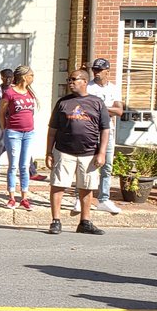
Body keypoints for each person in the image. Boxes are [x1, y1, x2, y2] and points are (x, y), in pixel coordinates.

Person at [46, 69, 110, 236]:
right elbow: (52, 130)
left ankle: (85, 222)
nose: (71, 82)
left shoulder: (97, 103)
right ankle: (56, 220)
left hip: (89, 152)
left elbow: (105, 129)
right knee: (58, 185)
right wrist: (49, 152)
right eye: (69, 79)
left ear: (85, 82)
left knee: (87, 187)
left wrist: (102, 152)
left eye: (74, 79)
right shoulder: (63, 102)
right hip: (64, 151)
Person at [79, 58, 123, 216]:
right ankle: (79, 198)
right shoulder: (88, 87)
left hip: (107, 130)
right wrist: (107, 109)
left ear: (107, 71)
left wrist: (100, 107)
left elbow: (119, 111)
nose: (96, 72)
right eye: (94, 70)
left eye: (99, 70)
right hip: (89, 130)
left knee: (107, 166)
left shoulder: (114, 88)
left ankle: (104, 199)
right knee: (85, 165)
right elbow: (84, 109)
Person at [1, 65, 38, 211]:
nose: (33, 78)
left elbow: (31, 112)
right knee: (13, 165)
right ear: (24, 76)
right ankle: (11, 197)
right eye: (31, 75)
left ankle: (24, 198)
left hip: (29, 133)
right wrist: (5, 129)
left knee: (25, 165)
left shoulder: (30, 93)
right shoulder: (9, 93)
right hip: (13, 133)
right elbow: (2, 112)